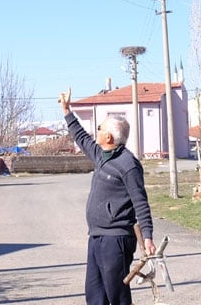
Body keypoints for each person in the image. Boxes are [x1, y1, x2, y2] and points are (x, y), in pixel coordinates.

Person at [60, 88, 155, 305]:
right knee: (95, 296)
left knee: (117, 297)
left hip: (116, 239)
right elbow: (81, 137)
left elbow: (141, 202)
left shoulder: (128, 165)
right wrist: (67, 111)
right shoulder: (101, 155)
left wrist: (147, 236)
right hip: (96, 237)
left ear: (109, 137)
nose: (96, 131)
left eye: (99, 128)